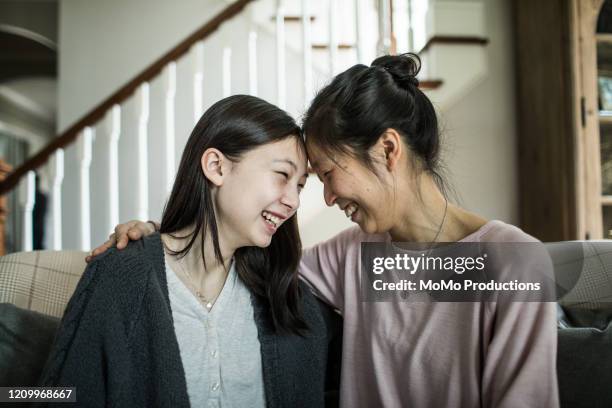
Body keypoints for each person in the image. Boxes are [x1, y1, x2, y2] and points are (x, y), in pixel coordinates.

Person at [91, 54, 559, 407]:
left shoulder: (512, 263)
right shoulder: (355, 257)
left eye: (327, 174)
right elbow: (230, 253)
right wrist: (160, 235)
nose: (327, 199)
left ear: (388, 150)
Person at [39, 95, 341, 408]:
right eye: (282, 175)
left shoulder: (288, 293)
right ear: (216, 167)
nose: (293, 201)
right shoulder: (122, 274)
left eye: (301, 185)